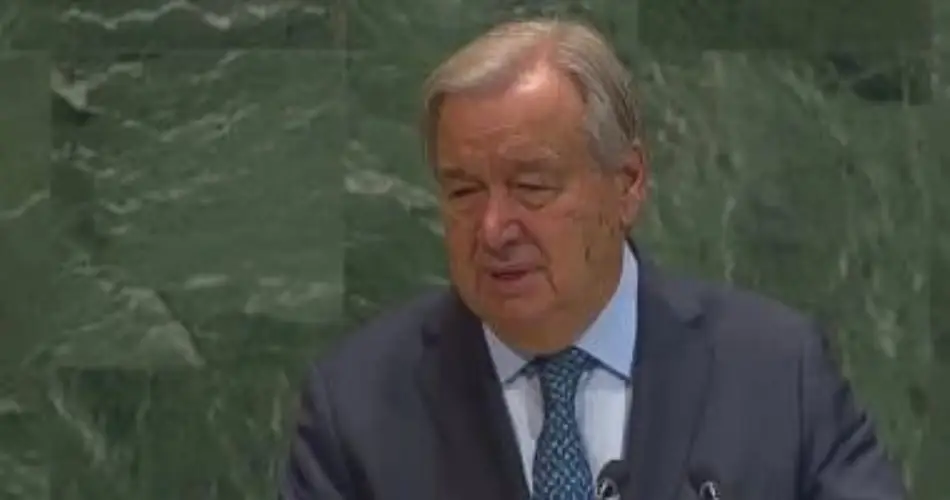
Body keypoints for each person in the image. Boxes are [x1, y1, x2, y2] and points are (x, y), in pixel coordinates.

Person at [279, 19, 907, 500]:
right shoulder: (356, 407)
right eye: (464, 192)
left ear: (628, 183)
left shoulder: (776, 373)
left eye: (532, 186)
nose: (493, 229)